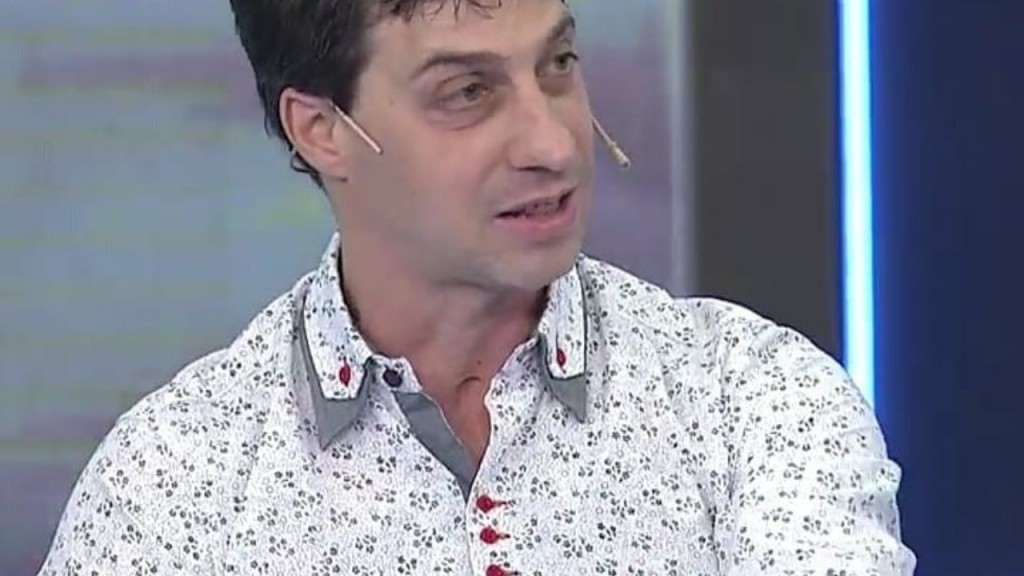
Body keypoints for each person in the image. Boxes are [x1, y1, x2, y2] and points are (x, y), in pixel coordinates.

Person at [38, 1, 917, 574]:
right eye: (467, 92)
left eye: (558, 64)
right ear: (322, 131)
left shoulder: (752, 403)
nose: (553, 143)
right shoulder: (173, 482)